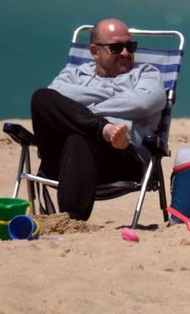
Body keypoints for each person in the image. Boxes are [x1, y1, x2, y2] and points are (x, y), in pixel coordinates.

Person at [29, 18, 165, 221]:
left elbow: (142, 103)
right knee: (41, 97)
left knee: (78, 136)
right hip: (63, 161)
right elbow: (53, 95)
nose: (126, 53)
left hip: (121, 156)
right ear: (94, 51)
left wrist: (80, 110)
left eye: (130, 46)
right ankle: (102, 128)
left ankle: (71, 221)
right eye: (116, 48)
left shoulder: (146, 74)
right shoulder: (74, 73)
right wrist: (111, 107)